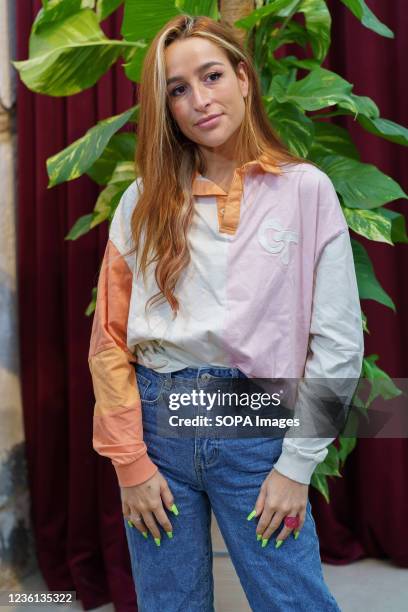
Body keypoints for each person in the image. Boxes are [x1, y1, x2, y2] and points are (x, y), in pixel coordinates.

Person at [88, 14, 364, 612]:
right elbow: (109, 337)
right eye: (177, 90)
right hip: (157, 428)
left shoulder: (306, 190)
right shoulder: (142, 199)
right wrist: (130, 463)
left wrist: (295, 467)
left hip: (256, 425)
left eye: (211, 75)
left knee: (294, 601)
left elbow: (338, 343)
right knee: (169, 605)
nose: (198, 100)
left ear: (243, 77)